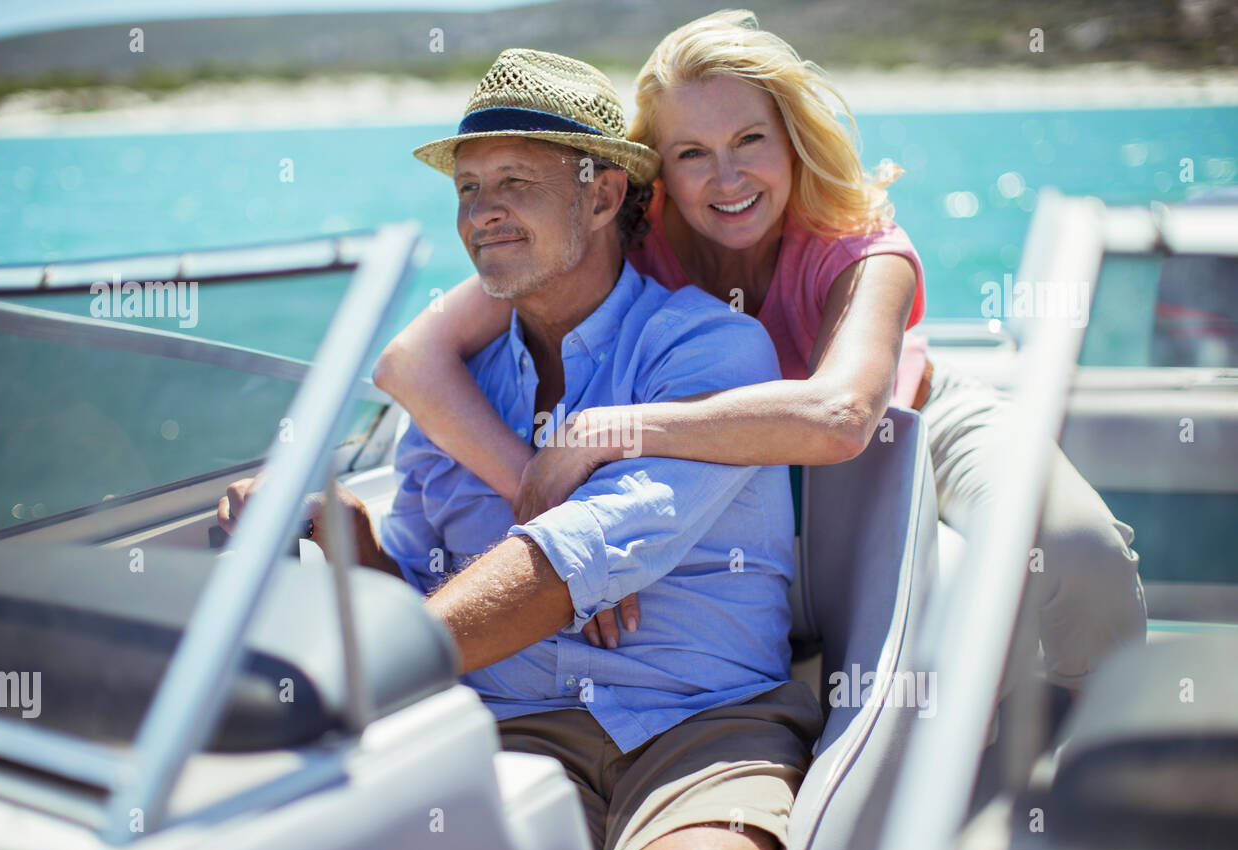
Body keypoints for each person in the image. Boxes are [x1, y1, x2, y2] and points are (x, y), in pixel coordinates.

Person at [373, 9, 1147, 700]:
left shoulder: (861, 248)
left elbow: (840, 417)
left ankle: (1095, 755)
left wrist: (608, 431)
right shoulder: (628, 240)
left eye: (750, 140)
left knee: (1082, 552)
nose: (728, 176)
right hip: (747, 468)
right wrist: (535, 488)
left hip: (907, 426)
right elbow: (408, 363)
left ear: (792, 141)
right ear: (655, 175)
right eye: (691, 153)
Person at [221, 47, 823, 850]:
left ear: (605, 192)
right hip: (508, 728)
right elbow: (422, 584)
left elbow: (578, 551)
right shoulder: (456, 397)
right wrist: (346, 533)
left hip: (704, 722)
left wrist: (347, 684)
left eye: (515, 183)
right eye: (469, 189)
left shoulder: (711, 349)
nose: (483, 213)